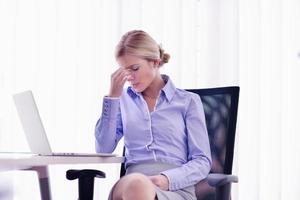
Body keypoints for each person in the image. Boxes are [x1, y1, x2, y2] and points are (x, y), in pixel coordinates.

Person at [95, 30, 211, 200]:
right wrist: (112, 97)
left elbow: (202, 161)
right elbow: (103, 149)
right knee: (137, 186)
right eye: (124, 71)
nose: (129, 77)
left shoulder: (188, 102)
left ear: (155, 63)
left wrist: (167, 179)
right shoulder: (122, 101)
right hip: (131, 184)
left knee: (139, 188)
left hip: (176, 188)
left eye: (134, 68)